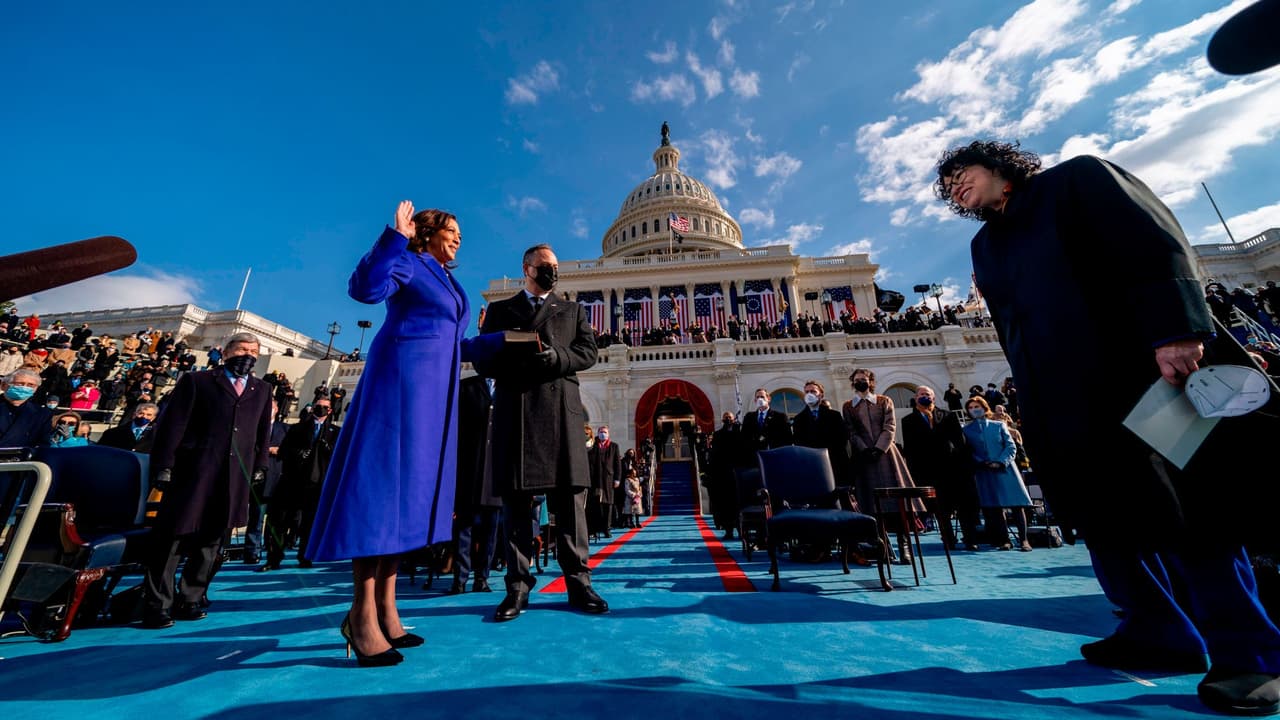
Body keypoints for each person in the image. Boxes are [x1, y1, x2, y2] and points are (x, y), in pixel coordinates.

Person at [936, 139, 1280, 715]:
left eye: (961, 174)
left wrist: (1176, 331)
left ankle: (1250, 655)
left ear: (998, 165)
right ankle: (1158, 633)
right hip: (1063, 399)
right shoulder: (985, 243)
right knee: (1103, 518)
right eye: (948, 189)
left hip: (1142, 375)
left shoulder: (1077, 181)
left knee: (1192, 513)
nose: (956, 189)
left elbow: (1156, 242)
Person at [306, 201, 468, 666]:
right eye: (451, 230)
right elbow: (365, 289)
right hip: (398, 387)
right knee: (380, 496)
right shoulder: (408, 261)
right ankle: (360, 615)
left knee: (406, 502)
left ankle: (387, 610)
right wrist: (394, 237)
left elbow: (453, 341)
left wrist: (506, 346)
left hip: (433, 397)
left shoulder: (448, 279)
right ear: (427, 232)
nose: (458, 238)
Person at [472, 242, 608, 623]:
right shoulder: (500, 310)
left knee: (569, 504)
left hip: (560, 411)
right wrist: (507, 354)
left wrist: (557, 358)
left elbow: (588, 352)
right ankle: (517, 586)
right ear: (527, 268)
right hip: (518, 410)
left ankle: (578, 582)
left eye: (555, 267)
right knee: (517, 504)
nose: (552, 271)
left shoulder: (572, 309)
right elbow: (483, 359)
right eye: (545, 266)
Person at [143, 332, 272, 630]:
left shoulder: (262, 389)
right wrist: (164, 466)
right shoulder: (196, 381)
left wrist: (260, 464)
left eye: (253, 350)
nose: (248, 354)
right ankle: (156, 604)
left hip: (233, 476)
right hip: (194, 471)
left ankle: (191, 597)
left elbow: (262, 432)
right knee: (173, 538)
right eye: (242, 348)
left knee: (211, 541)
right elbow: (172, 425)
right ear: (226, 352)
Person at [841, 368, 923, 562]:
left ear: (871, 382)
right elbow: (851, 431)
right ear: (853, 382)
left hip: (887, 455)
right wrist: (863, 449)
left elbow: (890, 426)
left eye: (865, 379)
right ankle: (882, 547)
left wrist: (879, 448)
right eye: (858, 379)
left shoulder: (884, 401)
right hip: (864, 458)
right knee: (871, 504)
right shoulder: (848, 406)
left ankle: (904, 547)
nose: (861, 382)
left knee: (898, 503)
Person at [900, 385, 979, 550]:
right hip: (929, 471)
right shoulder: (907, 421)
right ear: (915, 398)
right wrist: (914, 474)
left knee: (963, 506)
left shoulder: (948, 416)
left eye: (927, 394)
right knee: (940, 509)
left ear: (933, 398)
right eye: (921, 394)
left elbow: (960, 441)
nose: (924, 396)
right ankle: (948, 539)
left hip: (953, 469)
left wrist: (962, 463)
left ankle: (970, 539)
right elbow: (910, 449)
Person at [264, 396, 338, 571]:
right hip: (293, 481)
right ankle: (274, 558)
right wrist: (298, 454)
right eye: (317, 406)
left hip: (318, 483)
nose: (319, 409)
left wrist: (327, 448)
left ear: (330, 411)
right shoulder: (297, 429)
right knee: (281, 521)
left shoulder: (335, 432)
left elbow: (339, 458)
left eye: (324, 407)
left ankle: (305, 556)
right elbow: (283, 451)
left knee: (309, 523)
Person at [450, 373, 502, 594]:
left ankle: (482, 577)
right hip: (468, 470)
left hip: (495, 472)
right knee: (463, 528)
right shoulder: (466, 387)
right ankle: (459, 578)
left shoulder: (510, 386)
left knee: (490, 531)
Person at [960, 396, 1032, 552]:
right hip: (985, 471)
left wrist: (1001, 461)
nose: (974, 409)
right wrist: (982, 462)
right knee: (995, 508)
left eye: (977, 406)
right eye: (971, 407)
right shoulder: (966, 430)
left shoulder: (999, 425)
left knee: (1017, 505)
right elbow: (968, 451)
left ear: (984, 407)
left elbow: (1010, 446)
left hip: (1005, 469)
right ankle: (1004, 540)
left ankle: (1024, 539)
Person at [790, 380, 850, 486]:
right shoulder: (799, 419)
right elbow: (799, 442)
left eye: (813, 391)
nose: (809, 394)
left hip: (834, 464)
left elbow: (842, 439)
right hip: (812, 464)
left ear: (821, 395)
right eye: (807, 392)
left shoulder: (834, 415)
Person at [708, 411, 743, 539]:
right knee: (726, 505)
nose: (728, 419)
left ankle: (741, 530)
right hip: (723, 475)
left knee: (739, 504)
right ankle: (729, 531)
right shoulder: (718, 435)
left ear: (734, 419)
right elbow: (714, 455)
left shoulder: (739, 433)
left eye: (730, 417)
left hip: (738, 474)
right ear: (722, 420)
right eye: (726, 417)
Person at [741, 388, 792, 468]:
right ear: (755, 401)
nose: (759, 399)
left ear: (768, 399)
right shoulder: (749, 417)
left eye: (762, 397)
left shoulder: (780, 417)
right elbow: (744, 437)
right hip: (755, 460)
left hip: (775, 458)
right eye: (757, 397)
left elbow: (787, 439)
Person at [1, 368, 52, 447]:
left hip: (21, 458)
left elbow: (43, 444)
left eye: (30, 385)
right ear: (3, 385)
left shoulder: (43, 414)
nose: (24, 388)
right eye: (19, 384)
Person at [587, 425, 621, 540]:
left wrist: (617, 479)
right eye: (601, 432)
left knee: (608, 504)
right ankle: (595, 529)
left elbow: (617, 464)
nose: (603, 434)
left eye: (605, 432)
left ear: (608, 434)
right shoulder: (593, 445)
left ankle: (607, 529)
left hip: (608, 480)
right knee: (596, 504)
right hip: (595, 479)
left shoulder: (614, 446)